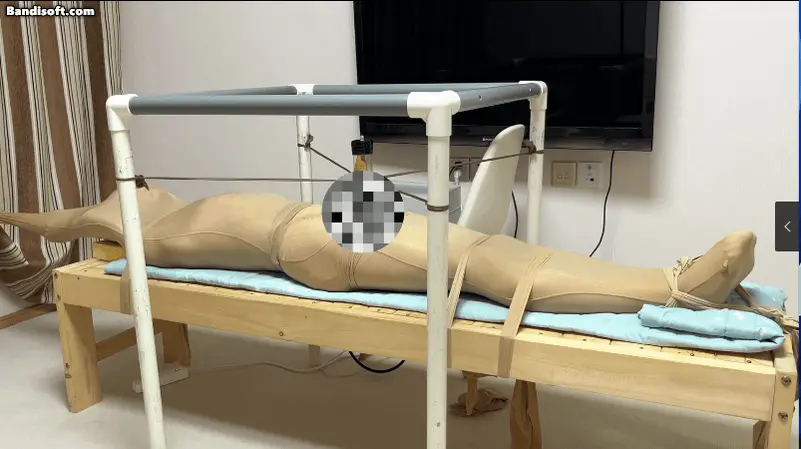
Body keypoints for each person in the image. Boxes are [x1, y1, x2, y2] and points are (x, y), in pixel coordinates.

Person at [0, 185, 761, 315]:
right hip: (302, 241)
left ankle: (667, 276)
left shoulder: (155, 196)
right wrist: (11, 215)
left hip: (321, 212)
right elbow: (56, 223)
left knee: (487, 241)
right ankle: (675, 288)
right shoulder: (125, 222)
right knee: (481, 264)